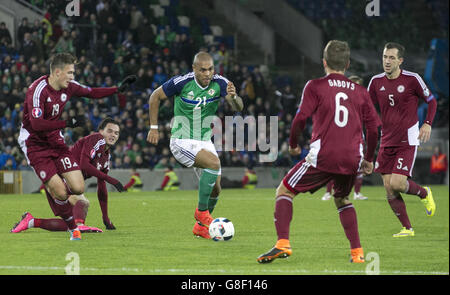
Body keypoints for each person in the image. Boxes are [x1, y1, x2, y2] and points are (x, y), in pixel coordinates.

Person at [257, 40, 380, 264]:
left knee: (284, 190)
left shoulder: (315, 86)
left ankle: (282, 244)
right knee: (342, 198)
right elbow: (374, 129)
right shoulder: (361, 92)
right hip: (352, 157)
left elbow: (300, 118)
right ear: (348, 63)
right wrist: (369, 159)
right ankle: (357, 253)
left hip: (323, 155)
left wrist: (294, 143)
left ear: (324, 62)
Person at [16, 52, 135, 240]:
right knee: (62, 193)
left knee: (78, 188)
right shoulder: (37, 90)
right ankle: (72, 227)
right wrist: (66, 123)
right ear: (57, 72)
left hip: (55, 139)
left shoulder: (69, 87)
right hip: (34, 143)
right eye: (70, 73)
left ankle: (55, 194)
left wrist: (117, 89)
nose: (73, 77)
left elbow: (91, 92)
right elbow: (37, 124)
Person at [147, 51, 243, 239]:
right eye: (203, 70)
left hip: (204, 140)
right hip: (181, 140)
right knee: (214, 164)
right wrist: (153, 127)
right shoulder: (181, 82)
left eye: (210, 69)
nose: (207, 74)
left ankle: (200, 227)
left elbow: (238, 107)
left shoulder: (221, 83)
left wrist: (233, 98)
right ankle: (201, 213)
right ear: (194, 69)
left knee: (216, 189)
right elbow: (154, 97)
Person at [367, 42, 437, 238]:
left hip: (407, 139)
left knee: (398, 183)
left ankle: (424, 193)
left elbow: (431, 101)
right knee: (389, 188)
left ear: (400, 61)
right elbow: (366, 107)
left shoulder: (412, 79)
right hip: (386, 140)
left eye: (391, 58)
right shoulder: (375, 82)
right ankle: (407, 228)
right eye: (384, 57)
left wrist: (427, 123)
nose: (387, 61)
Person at [11, 118, 125, 233]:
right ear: (101, 131)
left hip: (66, 181)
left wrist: (105, 218)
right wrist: (112, 180)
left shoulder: (106, 156)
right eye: (109, 131)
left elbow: (101, 187)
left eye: (116, 133)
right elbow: (84, 165)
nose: (113, 135)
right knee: (82, 202)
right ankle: (79, 225)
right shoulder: (97, 139)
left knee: (69, 223)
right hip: (60, 176)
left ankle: (31, 221)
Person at [322, 75, 368, 201]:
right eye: (355, 84)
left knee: (358, 165)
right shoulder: (340, 98)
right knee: (334, 165)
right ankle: (328, 192)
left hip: (357, 136)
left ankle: (357, 193)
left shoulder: (362, 100)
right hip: (340, 135)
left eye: (359, 84)